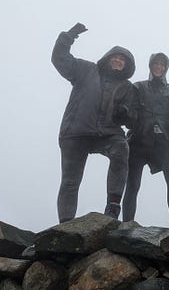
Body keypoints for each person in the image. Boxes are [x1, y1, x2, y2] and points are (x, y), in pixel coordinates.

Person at [52, 22, 137, 223]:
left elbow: (133, 118)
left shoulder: (127, 87)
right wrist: (69, 36)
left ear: (127, 65)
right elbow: (60, 59)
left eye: (122, 59)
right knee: (70, 181)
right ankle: (65, 225)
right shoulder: (86, 70)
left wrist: (125, 113)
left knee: (121, 149)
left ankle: (112, 208)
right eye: (115, 57)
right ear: (107, 59)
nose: (118, 60)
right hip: (76, 132)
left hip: (107, 134)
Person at [122, 52, 169, 228]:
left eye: (162, 64)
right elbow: (131, 112)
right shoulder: (138, 87)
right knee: (132, 184)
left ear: (166, 68)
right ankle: (127, 224)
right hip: (138, 141)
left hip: (164, 141)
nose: (159, 67)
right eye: (156, 63)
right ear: (150, 66)